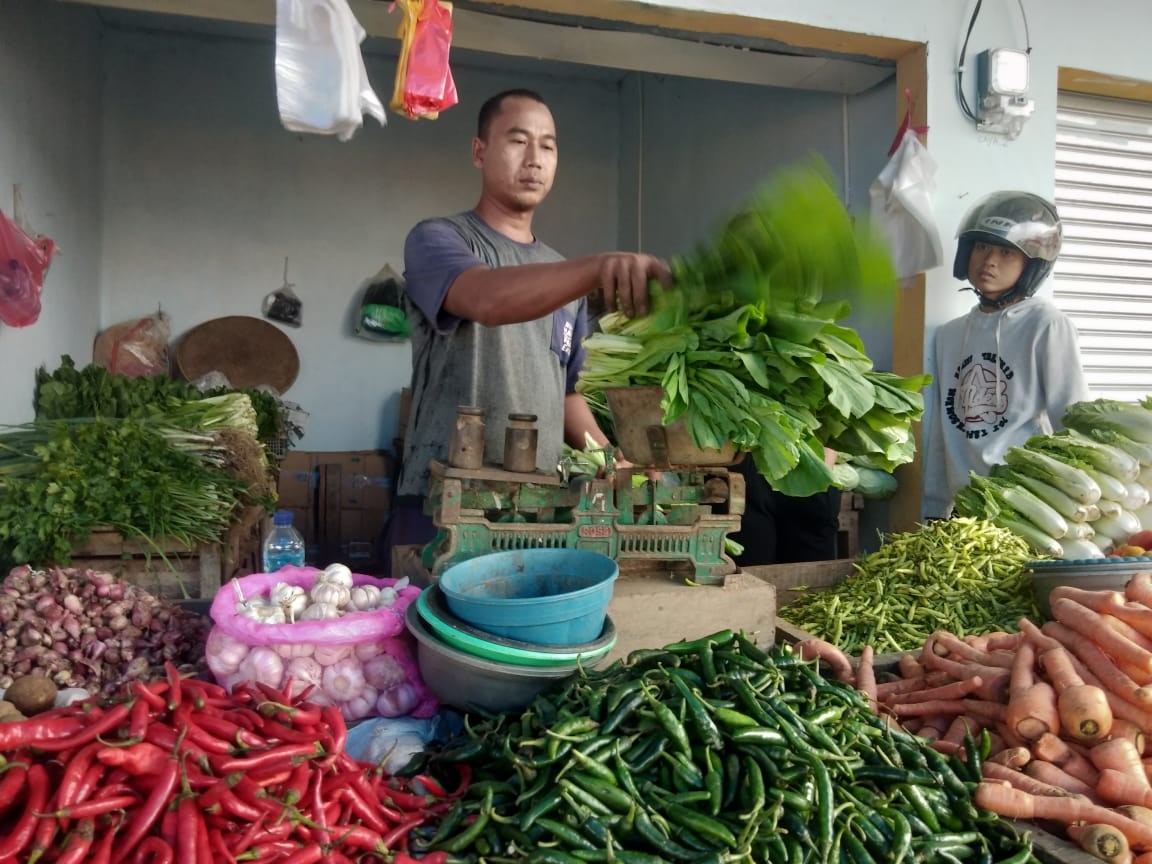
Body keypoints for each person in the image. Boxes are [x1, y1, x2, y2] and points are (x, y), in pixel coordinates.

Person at [383, 89, 672, 561]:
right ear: (480, 151)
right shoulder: (438, 239)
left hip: (537, 507)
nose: (534, 159)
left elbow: (566, 393)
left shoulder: (562, 275)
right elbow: (487, 298)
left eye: (548, 145)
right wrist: (597, 269)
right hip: (442, 500)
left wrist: (611, 459)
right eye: (518, 141)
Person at [922, 190, 1090, 518]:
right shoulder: (950, 335)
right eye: (982, 247)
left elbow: (1073, 424)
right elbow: (943, 434)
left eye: (1006, 252)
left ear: (1032, 264)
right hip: (967, 508)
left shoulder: (1047, 325)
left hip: (1027, 505)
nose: (989, 262)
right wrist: (934, 508)